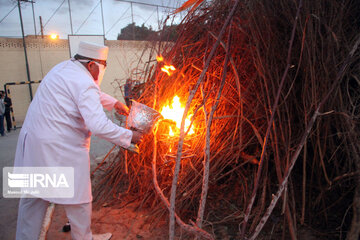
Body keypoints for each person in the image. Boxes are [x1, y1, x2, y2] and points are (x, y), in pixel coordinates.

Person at [14, 41, 143, 240]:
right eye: (102, 68)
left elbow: (84, 92)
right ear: (92, 66)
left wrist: (114, 102)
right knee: (79, 201)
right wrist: (130, 136)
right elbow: (98, 124)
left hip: (32, 142)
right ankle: (84, 238)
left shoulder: (63, 68)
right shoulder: (84, 83)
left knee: (33, 197)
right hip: (61, 148)